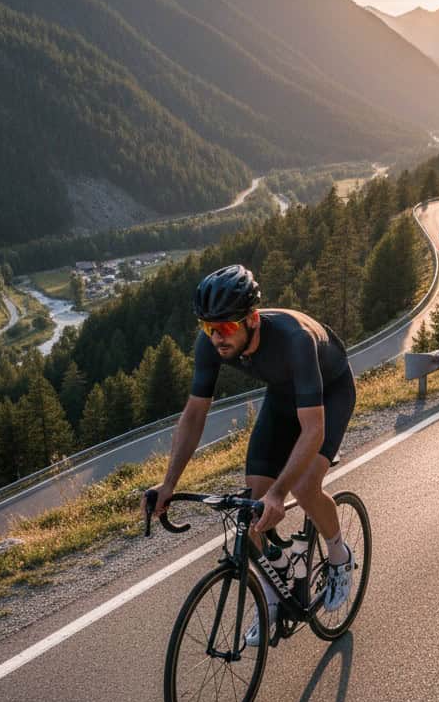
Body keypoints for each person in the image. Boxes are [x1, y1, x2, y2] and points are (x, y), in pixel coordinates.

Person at [145, 264, 356, 643]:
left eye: (225, 327)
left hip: (330, 392)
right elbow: (194, 414)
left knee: (304, 487)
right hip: (282, 397)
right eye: (208, 327)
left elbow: (313, 429)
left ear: (252, 319)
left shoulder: (295, 339)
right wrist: (168, 483)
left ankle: (339, 556)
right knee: (251, 507)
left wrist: (280, 492)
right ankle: (274, 592)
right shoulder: (212, 343)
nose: (216, 337)